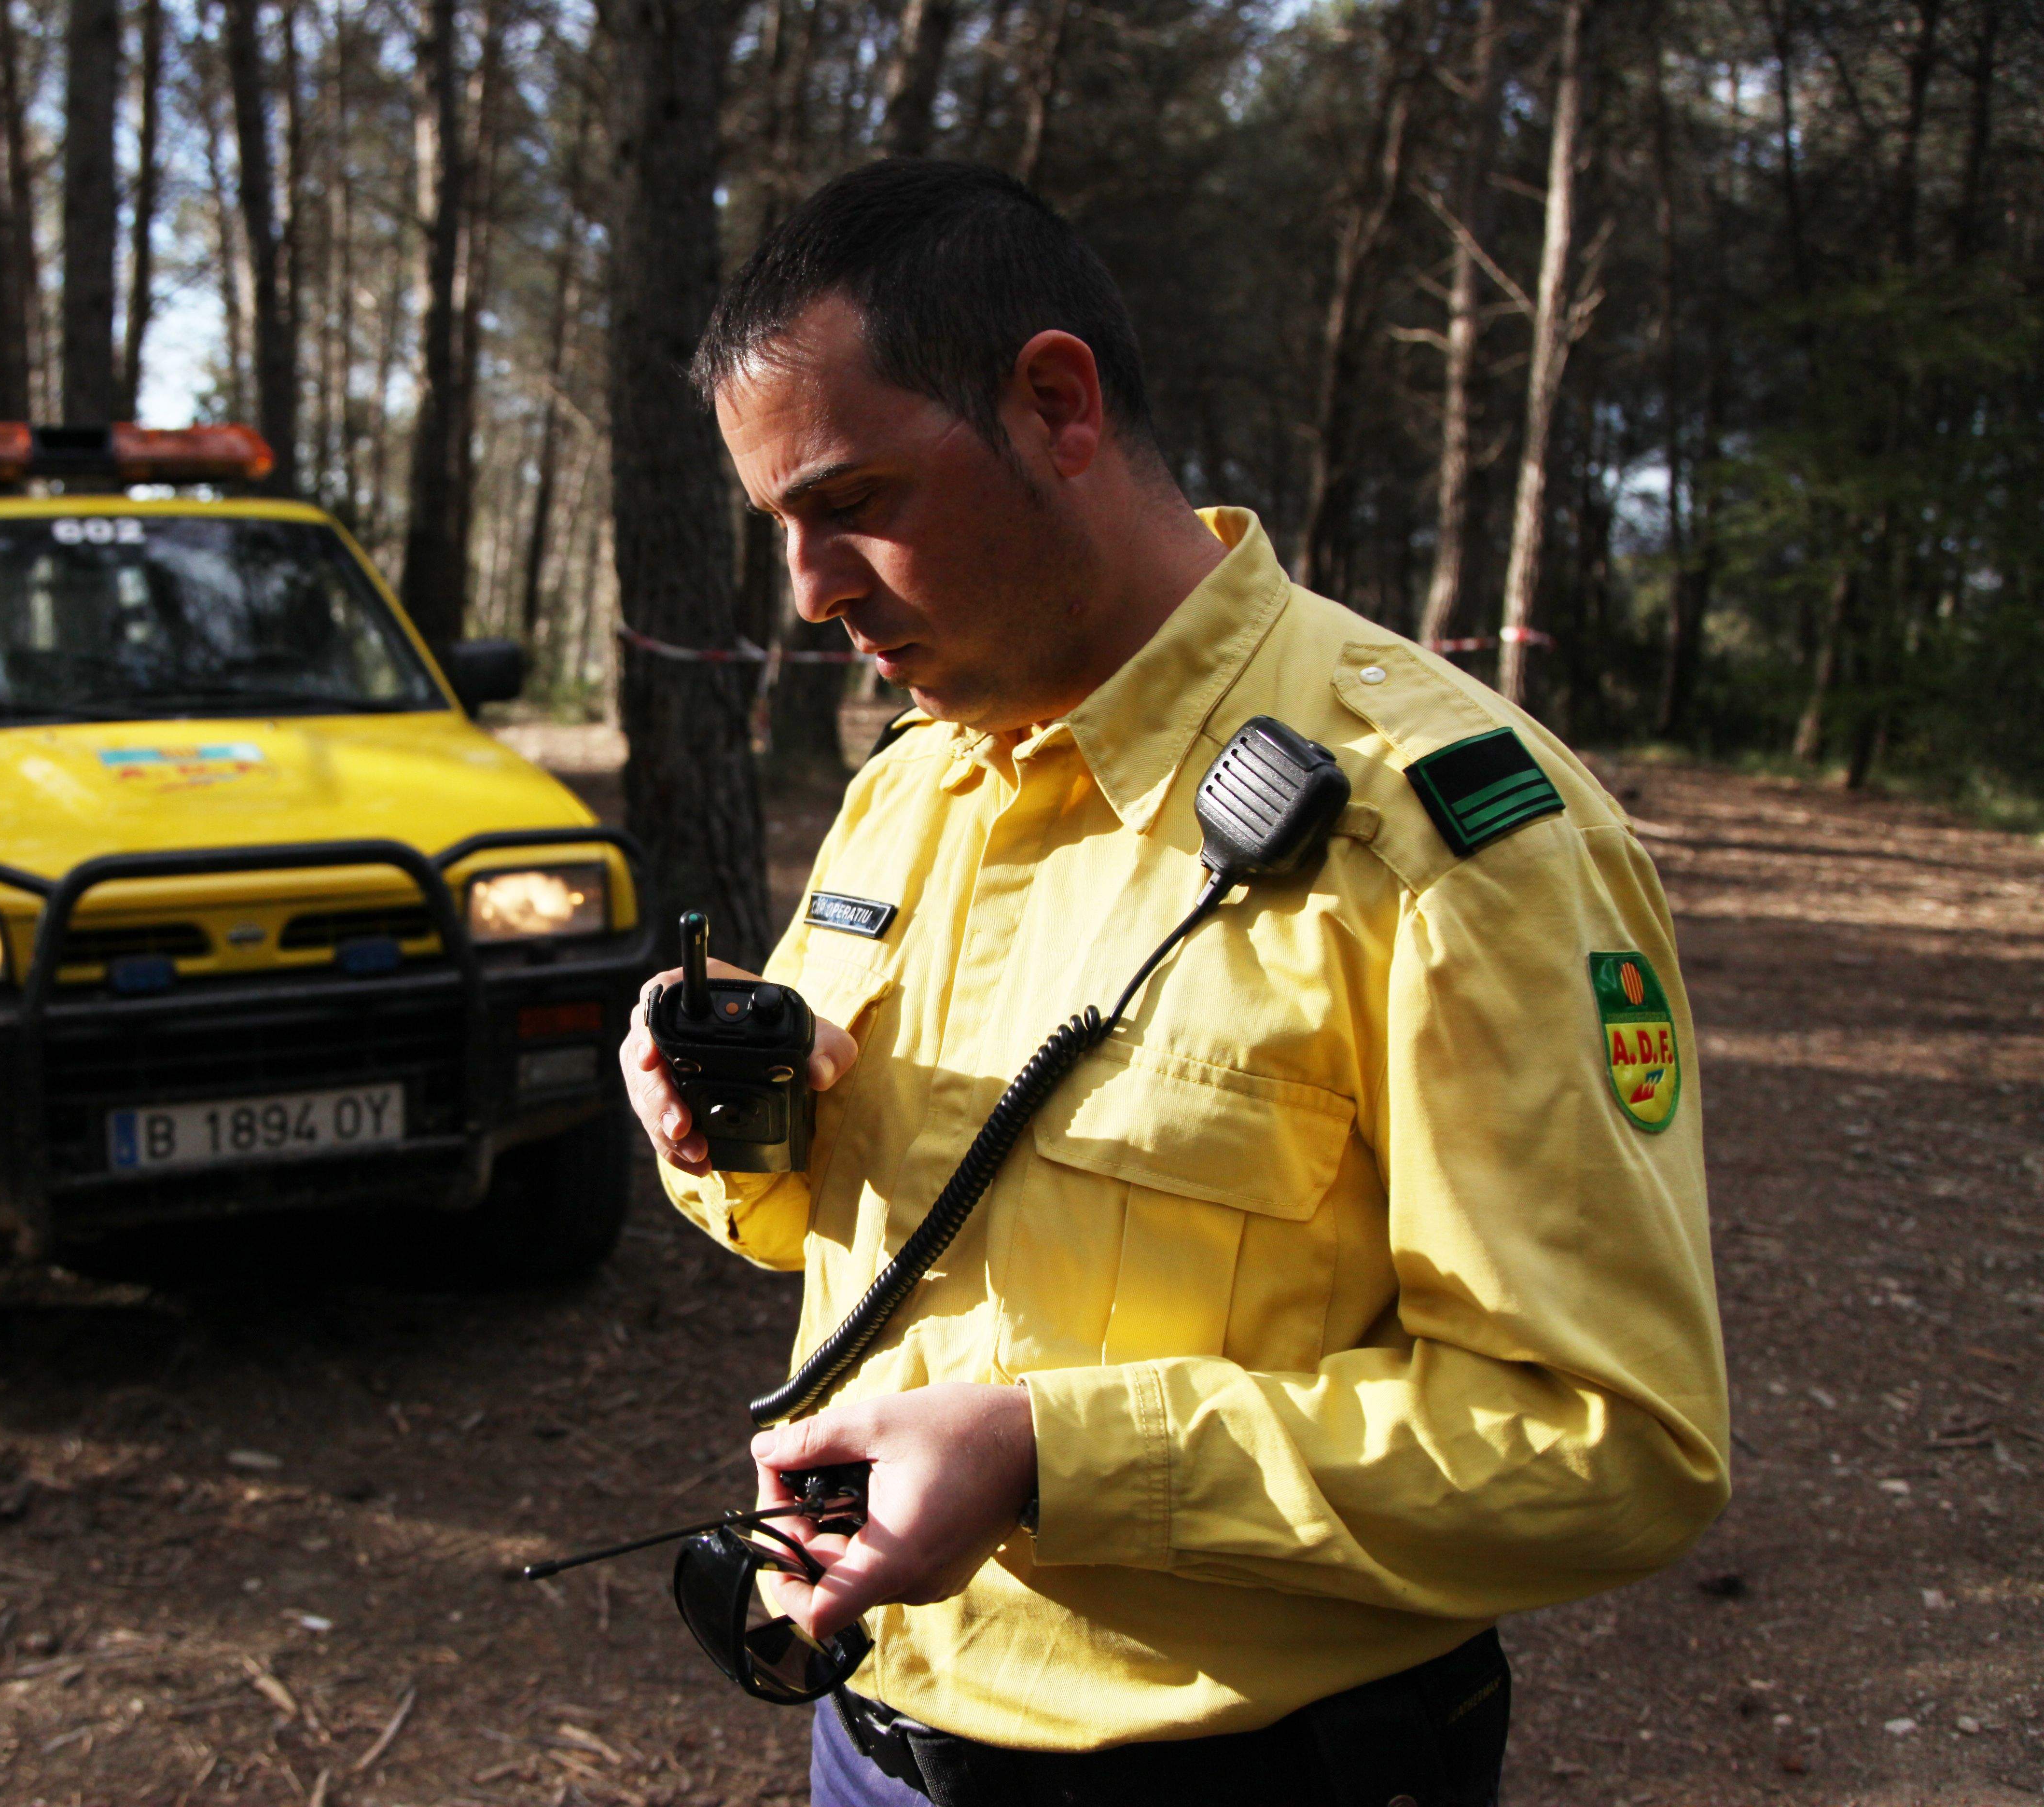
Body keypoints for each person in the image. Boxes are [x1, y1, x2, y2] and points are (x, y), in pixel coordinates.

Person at [617, 159, 1728, 1807]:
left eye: (851, 500)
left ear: (1057, 405)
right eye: (780, 524)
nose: (810, 588)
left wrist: (1056, 1461)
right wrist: (723, 1125)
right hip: (876, 1744)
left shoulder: (1453, 834)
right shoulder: (910, 789)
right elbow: (816, 1223)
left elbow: (1616, 1448)